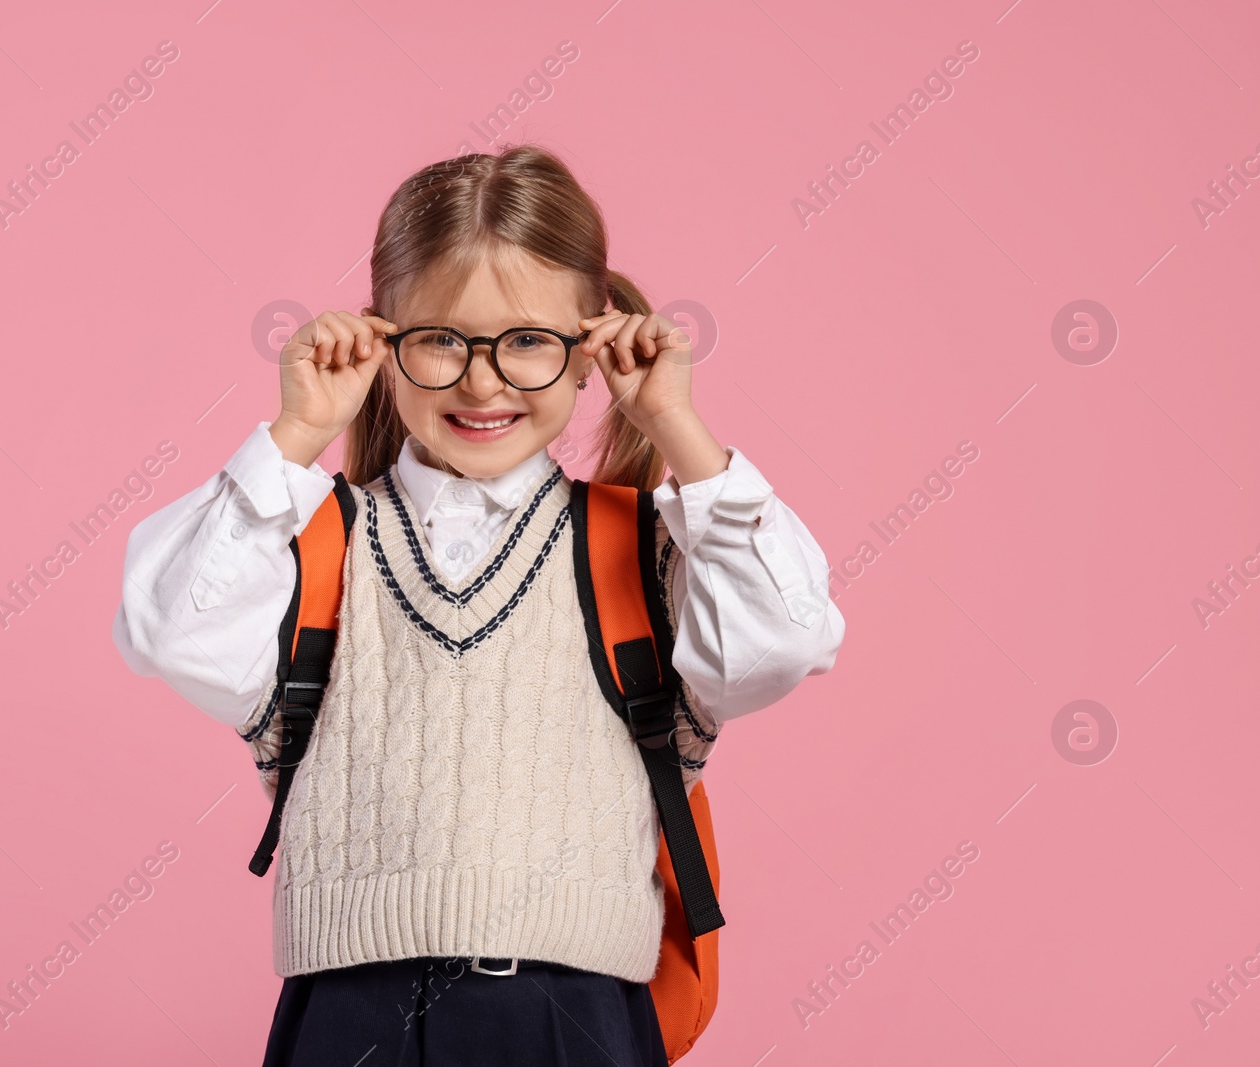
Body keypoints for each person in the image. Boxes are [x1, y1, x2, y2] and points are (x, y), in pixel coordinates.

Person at [112, 144, 844, 1066]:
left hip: (572, 1017)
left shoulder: (641, 547)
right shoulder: (314, 543)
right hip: (347, 1014)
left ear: (592, 353)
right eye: (441, 340)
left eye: (530, 341)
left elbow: (787, 639)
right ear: (383, 344)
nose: (483, 381)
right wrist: (296, 435)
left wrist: (678, 432)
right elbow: (166, 627)